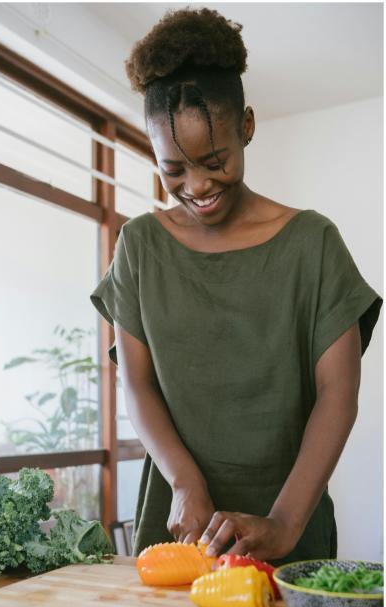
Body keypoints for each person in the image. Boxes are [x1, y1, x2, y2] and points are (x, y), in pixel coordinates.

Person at [90, 7, 382, 564]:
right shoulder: (139, 247)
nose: (196, 186)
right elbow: (138, 387)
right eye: (173, 170)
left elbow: (337, 395)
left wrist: (283, 522)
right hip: (178, 523)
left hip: (289, 522)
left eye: (214, 160)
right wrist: (183, 482)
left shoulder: (313, 243)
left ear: (246, 125)